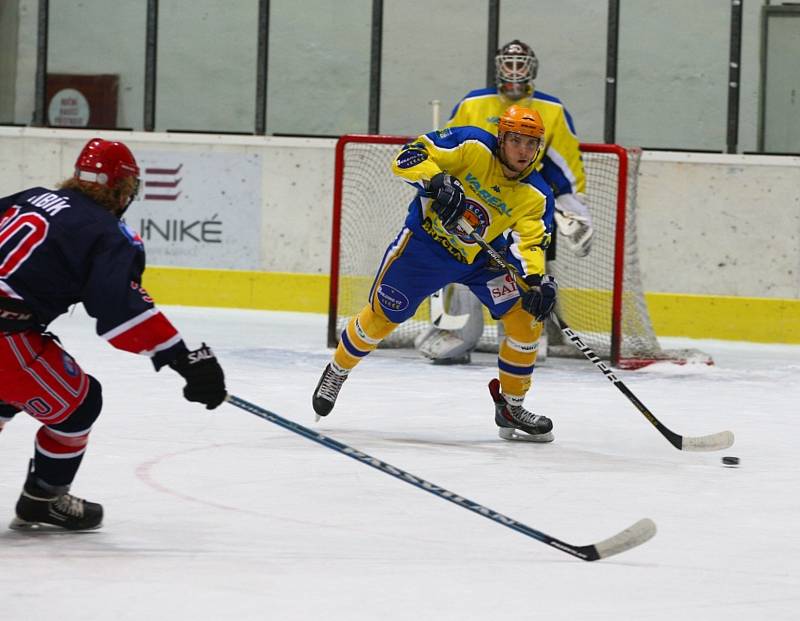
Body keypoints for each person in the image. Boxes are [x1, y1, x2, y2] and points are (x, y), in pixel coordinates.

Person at [0, 137, 227, 531]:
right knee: (80, 404)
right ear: (121, 189)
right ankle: (43, 498)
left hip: (14, 330)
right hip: (7, 338)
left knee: (17, 391)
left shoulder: (29, 197)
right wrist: (183, 360)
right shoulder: (107, 233)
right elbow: (120, 311)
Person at [313, 105, 558, 443]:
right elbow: (408, 156)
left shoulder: (537, 194)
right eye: (516, 140)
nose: (523, 150)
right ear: (502, 138)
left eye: (531, 144)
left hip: (480, 259)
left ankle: (511, 407)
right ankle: (337, 370)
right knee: (381, 319)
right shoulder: (471, 145)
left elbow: (529, 244)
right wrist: (436, 179)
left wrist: (534, 281)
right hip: (423, 250)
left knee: (527, 317)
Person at [417, 39, 592, 364]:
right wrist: (438, 186)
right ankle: (457, 332)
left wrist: (574, 208)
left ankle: (524, 336)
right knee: (463, 263)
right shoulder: (474, 102)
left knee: (525, 269)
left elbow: (563, 163)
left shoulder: (551, 110)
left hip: (521, 205)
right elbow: (451, 149)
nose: (513, 71)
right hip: (475, 204)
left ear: (532, 68)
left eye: (520, 64)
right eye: (508, 64)